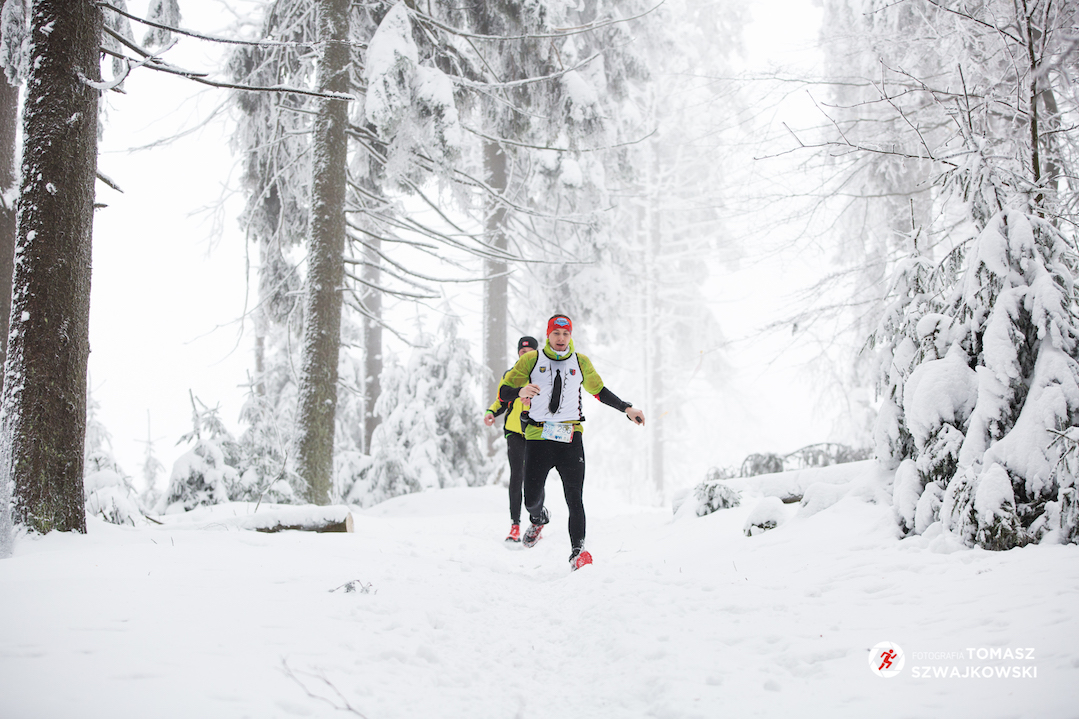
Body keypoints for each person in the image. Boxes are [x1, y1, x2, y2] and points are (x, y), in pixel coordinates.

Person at [497, 314, 645, 570]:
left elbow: (599, 391)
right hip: (538, 436)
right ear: (548, 334)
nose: (561, 338)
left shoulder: (580, 362)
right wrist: (520, 391)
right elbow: (503, 393)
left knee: (575, 497)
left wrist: (626, 408)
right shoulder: (531, 360)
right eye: (556, 333)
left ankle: (578, 552)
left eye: (566, 334)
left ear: (571, 335)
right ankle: (539, 518)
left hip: (570, 436)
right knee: (530, 499)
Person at [484, 336, 539, 543]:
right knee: (517, 476)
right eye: (522, 352)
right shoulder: (511, 375)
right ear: (518, 354)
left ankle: (536, 522)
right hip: (514, 432)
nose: (525, 355)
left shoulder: (543, 375)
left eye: (530, 352)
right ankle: (515, 525)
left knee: (535, 477)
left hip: (536, 432)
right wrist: (491, 412)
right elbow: (502, 400)